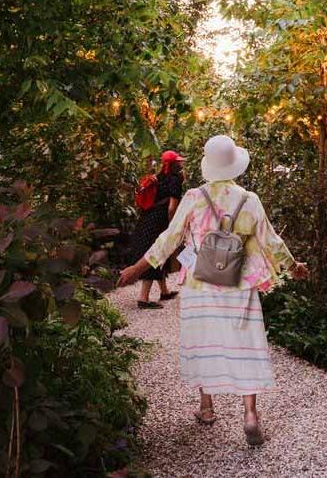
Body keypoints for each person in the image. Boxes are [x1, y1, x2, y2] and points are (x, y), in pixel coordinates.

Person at [117, 135, 308, 446]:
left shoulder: (193, 197)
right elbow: (271, 242)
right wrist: (294, 266)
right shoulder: (250, 200)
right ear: (233, 165)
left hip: (199, 284)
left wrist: (136, 270)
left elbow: (169, 239)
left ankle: (206, 408)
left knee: (202, 341)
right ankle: (249, 415)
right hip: (239, 284)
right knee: (246, 345)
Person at [124, 150, 186, 309]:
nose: (181, 164)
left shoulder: (158, 177)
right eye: (179, 162)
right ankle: (143, 299)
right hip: (159, 220)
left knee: (159, 253)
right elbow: (172, 207)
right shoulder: (175, 180)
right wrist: (173, 226)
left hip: (147, 218)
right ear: (174, 164)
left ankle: (164, 291)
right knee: (153, 253)